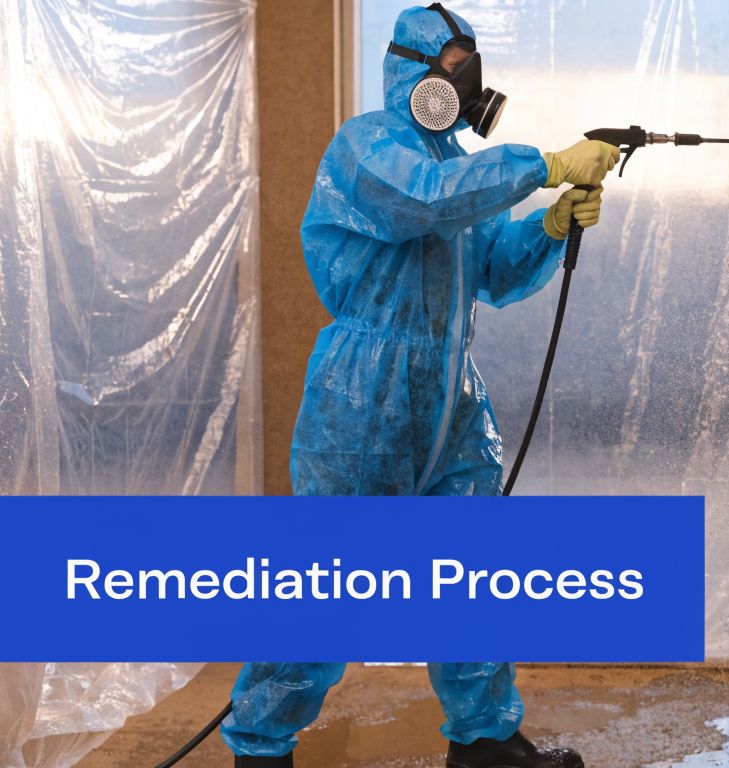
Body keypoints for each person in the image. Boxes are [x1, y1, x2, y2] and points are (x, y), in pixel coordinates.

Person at [220, 4, 618, 767]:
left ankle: (485, 740)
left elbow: (491, 271)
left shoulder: (459, 162)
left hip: (449, 397)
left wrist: (549, 227)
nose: (468, 84)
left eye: (471, 68)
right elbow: (423, 201)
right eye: (455, 67)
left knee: (470, 572)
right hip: (364, 398)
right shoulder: (367, 147)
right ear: (412, 70)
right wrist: (546, 165)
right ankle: (262, 747)